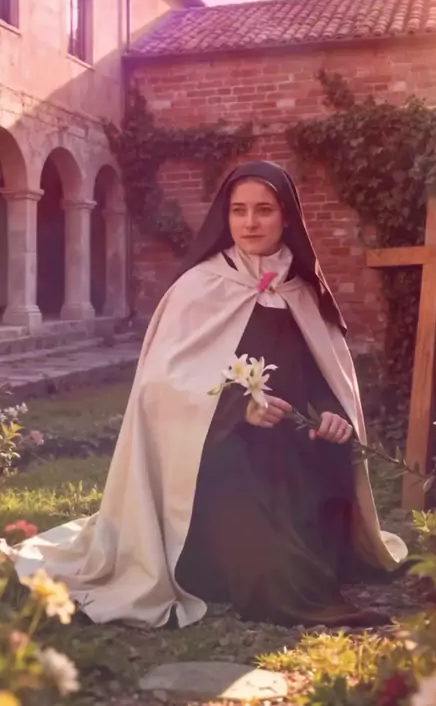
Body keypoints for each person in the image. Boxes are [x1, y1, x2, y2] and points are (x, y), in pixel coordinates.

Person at [7, 161, 407, 629]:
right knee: (240, 484)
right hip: (218, 450)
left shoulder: (302, 290)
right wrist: (239, 408)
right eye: (239, 210)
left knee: (327, 461)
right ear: (225, 216)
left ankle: (313, 557)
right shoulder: (198, 287)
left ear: (286, 217)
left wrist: (332, 413)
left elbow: (324, 376)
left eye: (264, 210)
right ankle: (278, 584)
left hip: (294, 446)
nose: (250, 222)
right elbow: (160, 386)